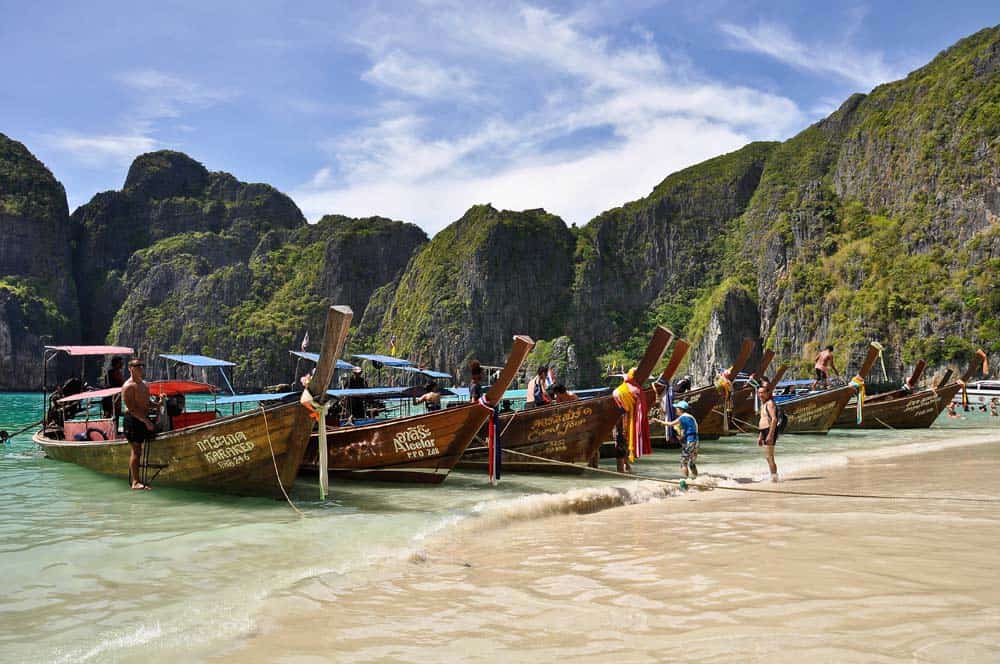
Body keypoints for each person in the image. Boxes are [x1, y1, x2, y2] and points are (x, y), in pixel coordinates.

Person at [121, 359, 157, 490]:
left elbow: (147, 402)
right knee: (136, 451)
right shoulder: (128, 386)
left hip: (143, 419)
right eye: (137, 366)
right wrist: (146, 421)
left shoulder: (144, 384)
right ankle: (135, 482)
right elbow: (132, 409)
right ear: (130, 368)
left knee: (147, 444)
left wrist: (158, 404)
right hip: (132, 420)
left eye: (142, 365)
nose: (141, 368)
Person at [665, 400, 698, 479]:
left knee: (683, 462)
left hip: (690, 442)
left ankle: (686, 481)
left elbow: (670, 424)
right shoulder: (691, 417)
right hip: (696, 442)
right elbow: (689, 431)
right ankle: (696, 479)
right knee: (692, 463)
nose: (675, 410)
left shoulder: (683, 417)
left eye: (676, 408)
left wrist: (658, 421)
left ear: (680, 409)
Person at [756, 378, 779, 482]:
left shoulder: (770, 403)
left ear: (767, 393)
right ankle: (773, 476)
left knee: (770, 457)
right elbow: (763, 420)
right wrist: (760, 436)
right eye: (759, 393)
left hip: (769, 431)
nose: (760, 395)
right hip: (764, 431)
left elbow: (774, 419)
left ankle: (774, 478)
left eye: (762, 393)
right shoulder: (763, 404)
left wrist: (770, 434)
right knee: (768, 457)